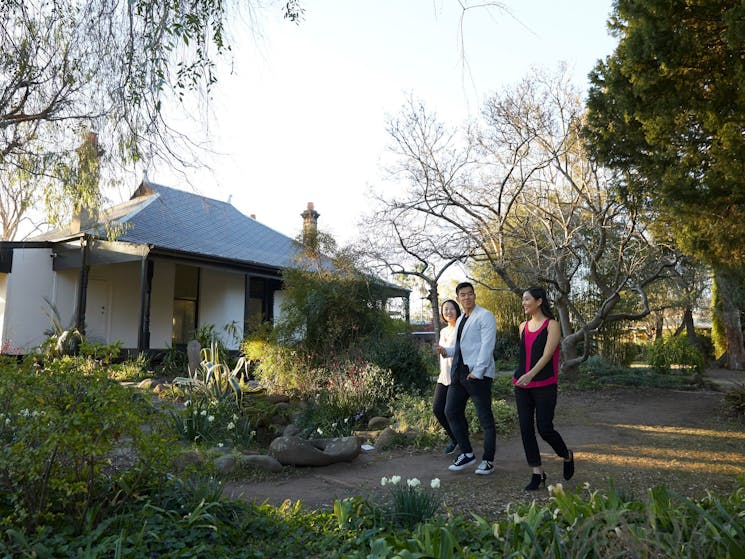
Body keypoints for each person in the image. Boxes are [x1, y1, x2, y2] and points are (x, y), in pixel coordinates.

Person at [513, 286, 575, 490]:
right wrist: (523, 376)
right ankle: (537, 473)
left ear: (539, 301)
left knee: (545, 428)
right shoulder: (522, 326)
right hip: (521, 385)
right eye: (523, 299)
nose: (524, 303)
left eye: (527, 299)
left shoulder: (552, 325)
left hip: (544, 384)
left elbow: (547, 355)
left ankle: (566, 455)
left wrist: (531, 374)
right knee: (525, 429)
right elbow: (524, 355)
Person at [437, 281, 498, 475]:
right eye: (462, 295)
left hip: (477, 375)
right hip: (459, 374)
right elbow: (460, 347)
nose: (467, 297)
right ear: (458, 298)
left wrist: (478, 371)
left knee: (485, 418)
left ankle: (488, 460)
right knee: (451, 411)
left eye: (470, 294)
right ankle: (467, 453)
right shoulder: (462, 317)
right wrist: (446, 351)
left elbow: (487, 346)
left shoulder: (485, 316)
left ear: (474, 295)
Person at [433, 299, 461, 455]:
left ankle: (463, 443)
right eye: (445, 309)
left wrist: (446, 351)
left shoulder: (461, 328)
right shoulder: (443, 331)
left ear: (457, 310)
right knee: (438, 409)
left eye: (451, 309)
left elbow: (461, 348)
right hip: (443, 376)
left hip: (456, 377)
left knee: (453, 412)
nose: (448, 312)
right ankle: (455, 438)